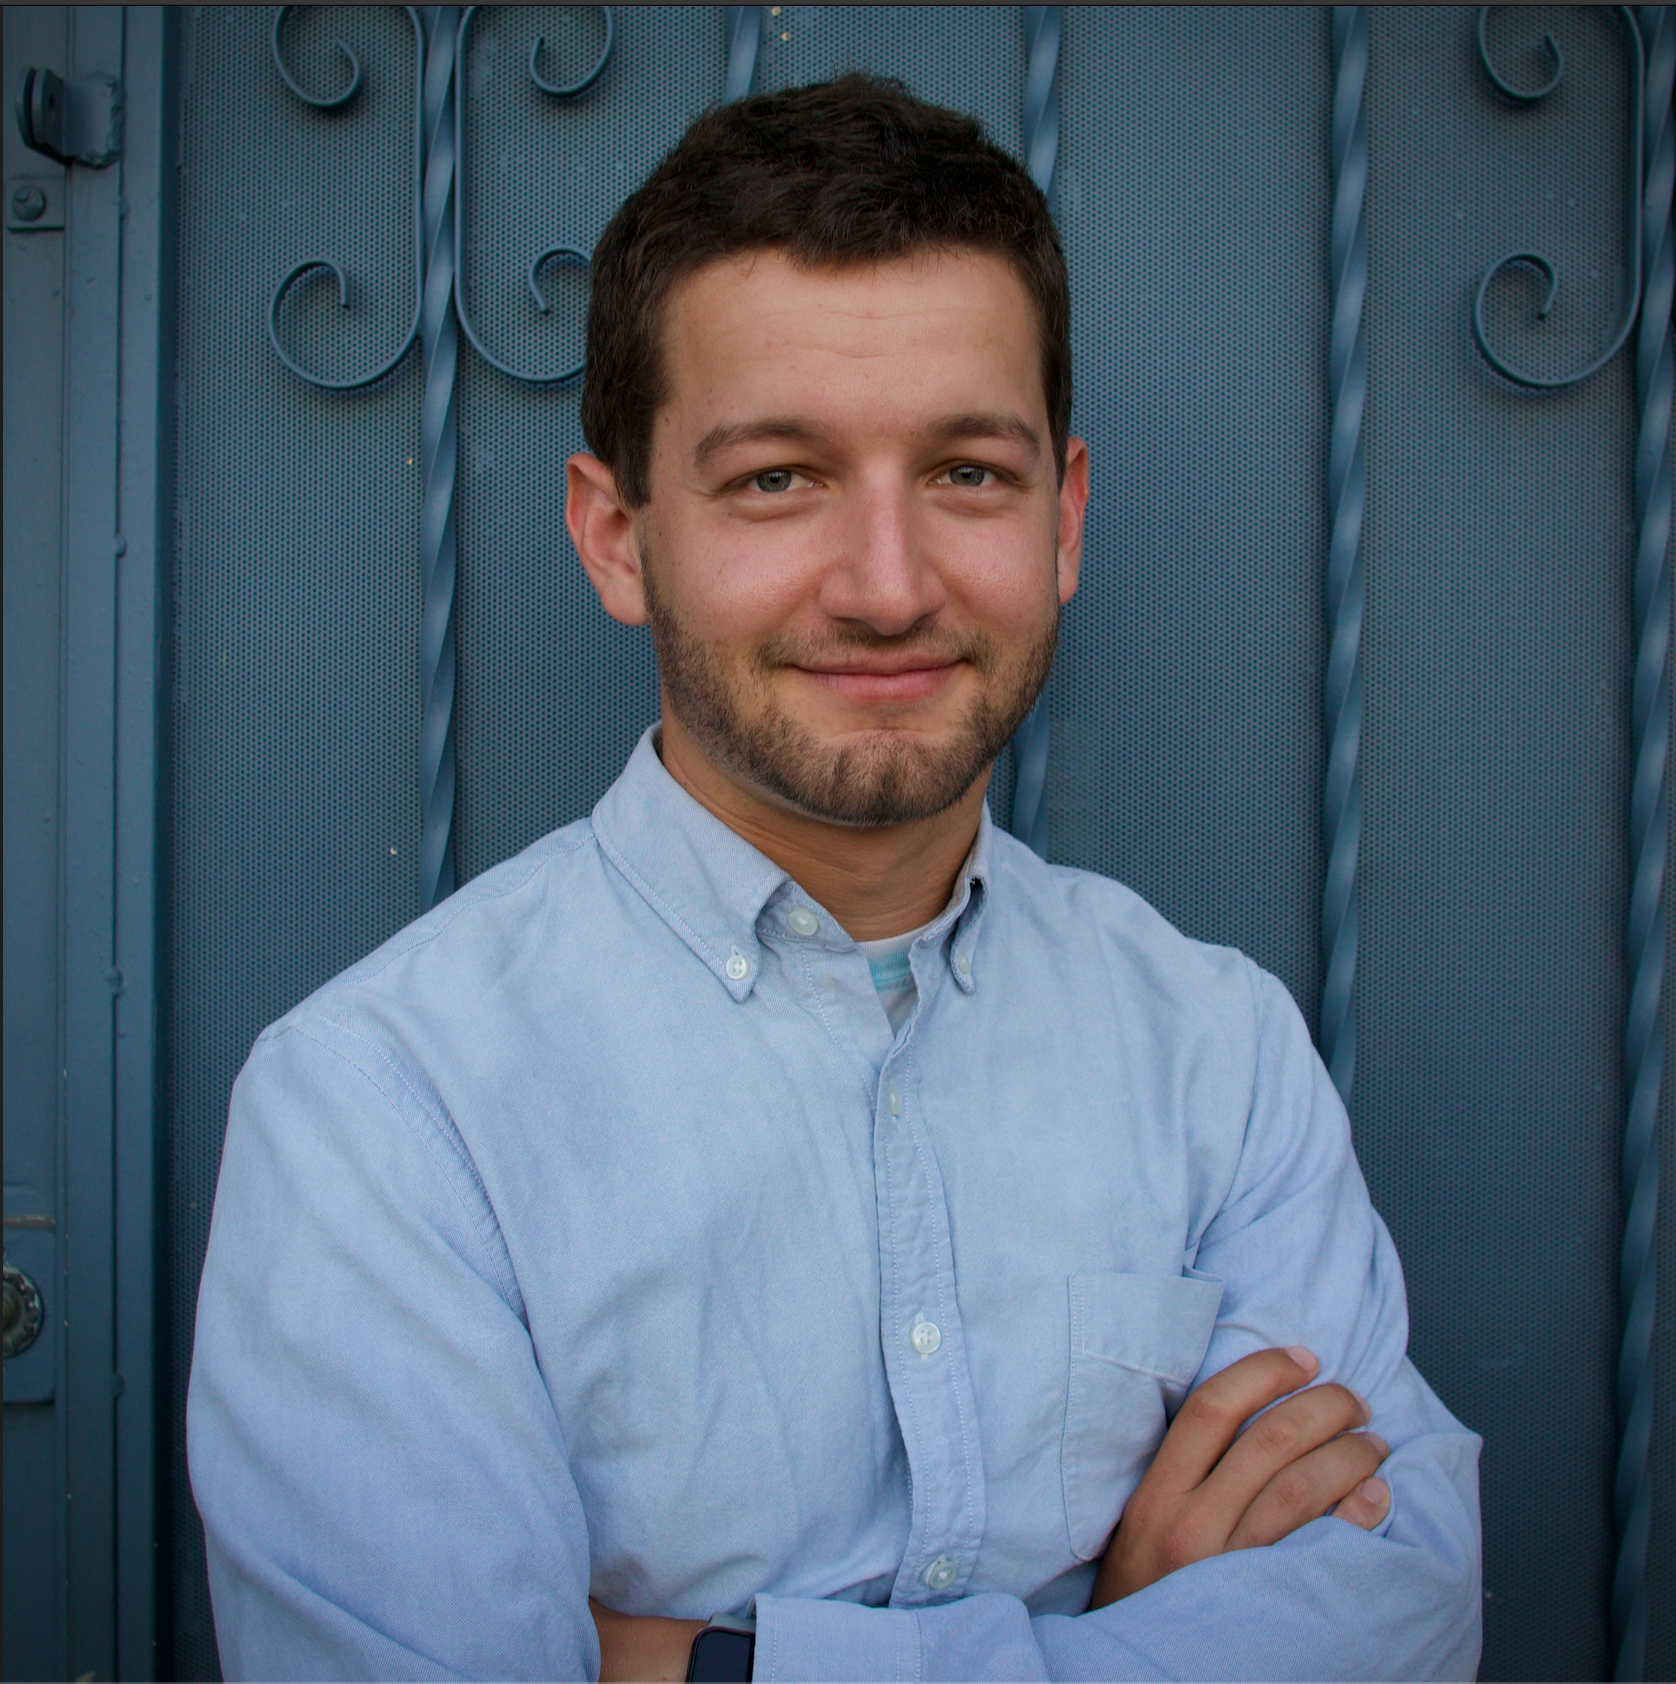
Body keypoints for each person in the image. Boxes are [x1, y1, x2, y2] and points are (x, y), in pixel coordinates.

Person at [188, 75, 1482, 1683]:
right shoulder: (387, 1112)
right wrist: (1132, 1630)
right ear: (616, 533)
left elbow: (1401, 1608)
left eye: (967, 474)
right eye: (778, 478)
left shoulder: (1216, 1054)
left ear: (1064, 519)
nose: (887, 586)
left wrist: (701, 1666)